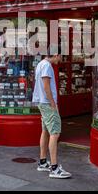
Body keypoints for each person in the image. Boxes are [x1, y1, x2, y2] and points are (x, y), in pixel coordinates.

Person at [32, 45, 71, 179]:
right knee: (55, 133)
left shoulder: (41, 64)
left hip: (42, 103)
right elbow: (46, 85)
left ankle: (43, 162)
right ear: (55, 54)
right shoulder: (47, 66)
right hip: (48, 104)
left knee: (46, 131)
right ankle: (54, 168)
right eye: (60, 56)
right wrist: (53, 103)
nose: (60, 59)